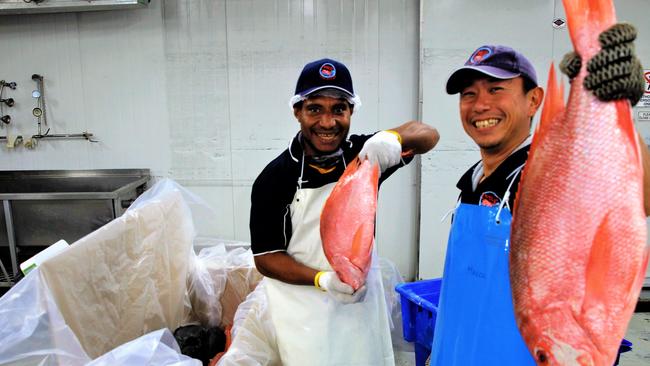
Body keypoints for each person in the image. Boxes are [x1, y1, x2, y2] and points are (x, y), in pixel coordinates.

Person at [430, 27, 648, 365]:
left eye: (496, 89)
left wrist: (618, 109)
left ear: (534, 100)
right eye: (468, 94)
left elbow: (638, 198)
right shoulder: (471, 182)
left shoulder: (551, 179)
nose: (480, 104)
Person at [242, 58, 438, 365]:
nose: (327, 122)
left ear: (351, 112)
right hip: (305, 318)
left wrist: (391, 138)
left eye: (338, 109)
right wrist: (324, 280)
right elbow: (266, 259)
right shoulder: (275, 178)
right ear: (298, 112)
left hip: (363, 309)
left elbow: (427, 134)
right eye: (315, 109)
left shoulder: (364, 157)